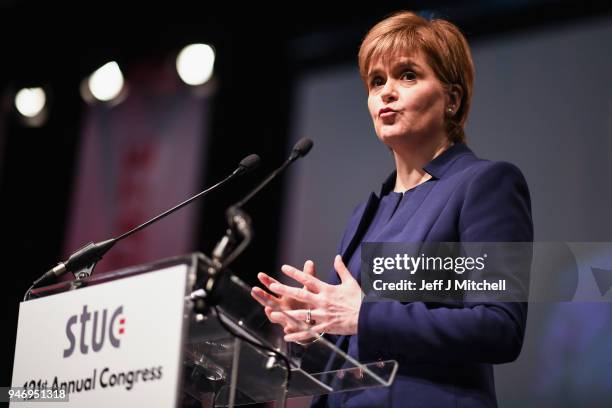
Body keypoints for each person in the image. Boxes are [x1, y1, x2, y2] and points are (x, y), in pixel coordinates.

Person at [251, 10, 533, 408]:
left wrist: (363, 314)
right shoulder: (367, 212)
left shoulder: (484, 185)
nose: (386, 92)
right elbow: (358, 348)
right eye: (376, 81)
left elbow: (499, 327)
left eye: (408, 75)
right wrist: (315, 329)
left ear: (452, 99)